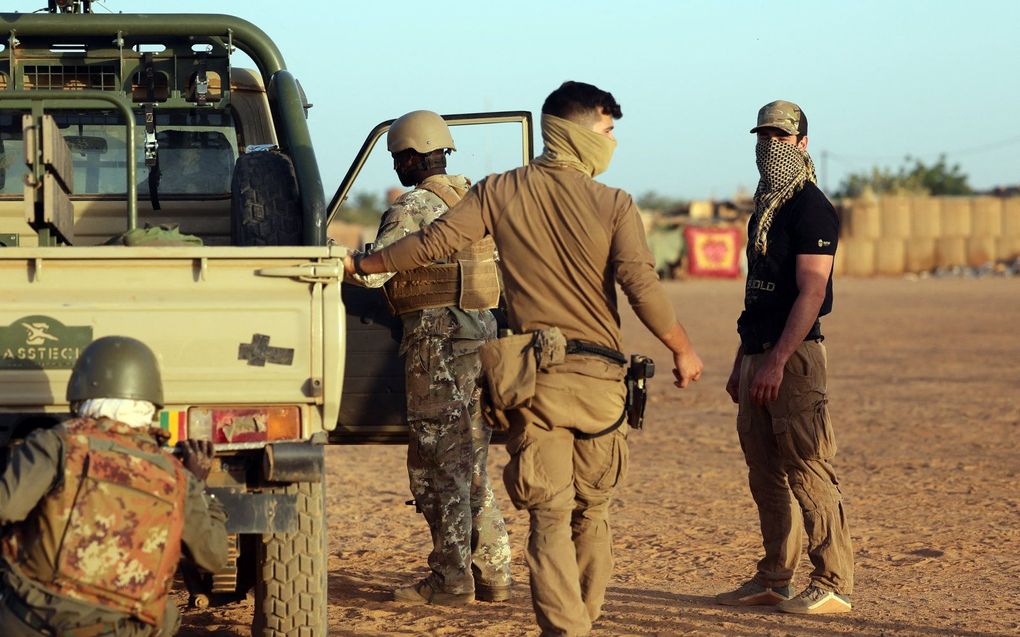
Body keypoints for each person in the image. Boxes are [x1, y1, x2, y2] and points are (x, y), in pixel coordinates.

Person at [345, 82, 704, 637]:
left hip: (536, 379)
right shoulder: (615, 204)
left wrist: (366, 266)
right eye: (608, 131)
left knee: (550, 515)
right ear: (577, 132)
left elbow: (429, 245)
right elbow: (640, 283)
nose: (613, 143)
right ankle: (580, 617)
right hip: (602, 382)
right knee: (591, 512)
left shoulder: (498, 192)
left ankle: (567, 629)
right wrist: (681, 348)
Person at [346, 110, 513, 605]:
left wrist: (338, 262)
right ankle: (494, 572)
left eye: (399, 158)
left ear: (415, 157)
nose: (397, 167)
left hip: (437, 345)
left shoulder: (411, 207)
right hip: (482, 337)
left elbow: (374, 275)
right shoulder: (477, 198)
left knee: (439, 463)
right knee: (473, 459)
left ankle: (450, 579)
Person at [716, 100, 854, 614]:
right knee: (764, 471)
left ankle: (833, 580)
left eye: (781, 137)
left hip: (793, 359)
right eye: (763, 136)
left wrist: (775, 361)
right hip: (757, 351)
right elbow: (759, 296)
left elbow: (811, 293)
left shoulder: (810, 207)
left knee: (808, 467)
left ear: (802, 143)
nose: (771, 146)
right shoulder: (764, 208)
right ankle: (774, 577)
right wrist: (743, 360)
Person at [0, 336, 228, 636]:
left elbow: (6, 507)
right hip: (118, 630)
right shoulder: (177, 476)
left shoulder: (56, 444)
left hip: (34, 619)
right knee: (168, 614)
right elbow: (212, 555)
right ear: (151, 405)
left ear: (81, 395)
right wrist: (198, 486)